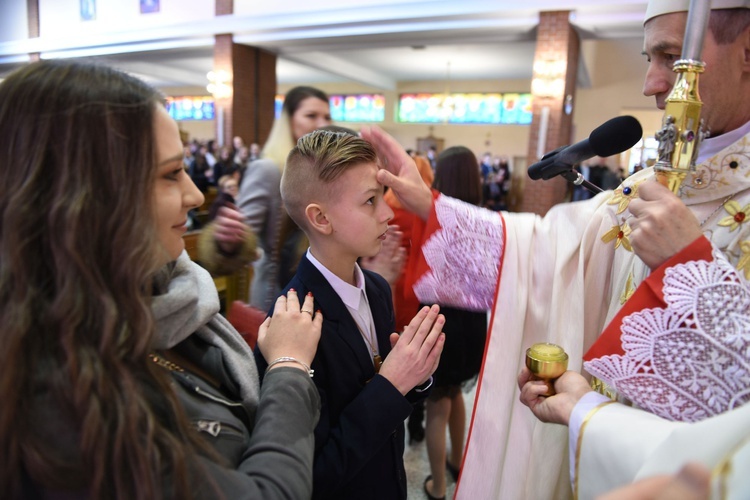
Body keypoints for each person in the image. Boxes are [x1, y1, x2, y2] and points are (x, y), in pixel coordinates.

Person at [361, 1, 750, 498]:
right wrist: (432, 207)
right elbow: (546, 251)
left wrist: (686, 271)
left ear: (746, 51)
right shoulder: (647, 186)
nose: (652, 83)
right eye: (649, 58)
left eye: (670, 57)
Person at [0, 59, 324, 499]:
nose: (194, 194)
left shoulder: (160, 296)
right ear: (88, 197)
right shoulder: (57, 398)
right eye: (171, 174)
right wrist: (288, 368)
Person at [254, 129, 446, 500]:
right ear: (321, 218)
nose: (389, 212)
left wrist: (415, 373)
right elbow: (310, 476)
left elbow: (386, 392)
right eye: (371, 201)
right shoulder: (292, 326)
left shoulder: (374, 288)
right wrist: (391, 383)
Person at [422, 147, 488, 500]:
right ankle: (457, 461)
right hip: (474, 321)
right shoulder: (485, 218)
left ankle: (438, 484)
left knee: (437, 402)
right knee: (456, 394)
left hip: (441, 319)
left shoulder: (436, 214)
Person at [236, 86, 332, 310]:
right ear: (289, 120)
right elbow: (243, 240)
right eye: (311, 116)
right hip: (275, 292)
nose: (322, 124)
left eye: (326, 116)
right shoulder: (268, 169)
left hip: (312, 290)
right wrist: (232, 239)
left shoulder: (318, 172)